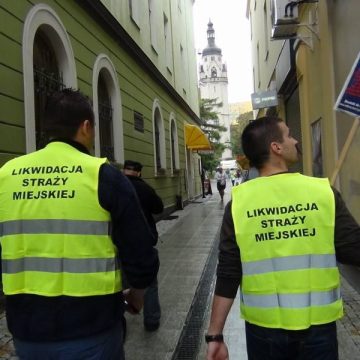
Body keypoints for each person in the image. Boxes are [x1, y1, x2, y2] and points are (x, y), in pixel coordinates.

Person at [0, 89, 159, 359]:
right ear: (86, 127)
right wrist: (138, 293)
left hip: (27, 330)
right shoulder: (103, 175)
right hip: (92, 329)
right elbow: (140, 251)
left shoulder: (6, 175)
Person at [205, 116, 360, 360]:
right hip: (318, 327)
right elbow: (353, 251)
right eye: (289, 135)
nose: (295, 140)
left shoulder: (239, 204)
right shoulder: (322, 193)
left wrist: (215, 334)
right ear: (276, 148)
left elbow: (228, 272)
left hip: (264, 331)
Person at [123, 160, 164, 331]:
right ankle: (152, 320)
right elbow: (158, 208)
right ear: (139, 173)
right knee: (150, 283)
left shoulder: (114, 186)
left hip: (119, 242)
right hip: (143, 241)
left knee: (119, 282)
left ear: (124, 170)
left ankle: (117, 320)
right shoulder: (145, 189)